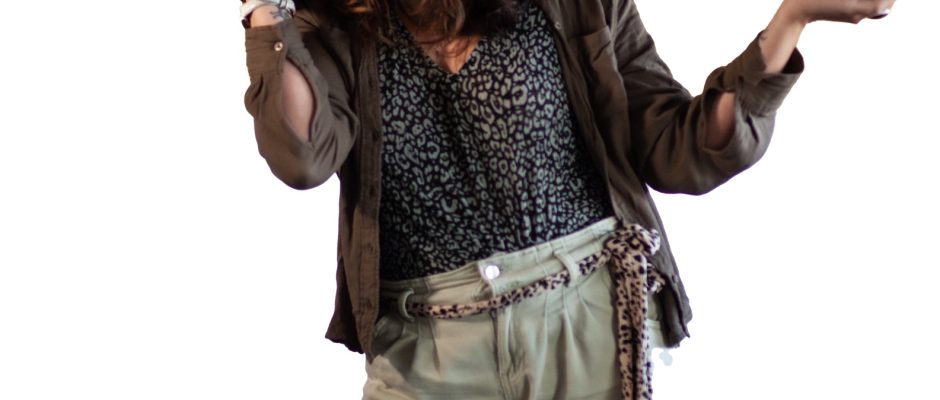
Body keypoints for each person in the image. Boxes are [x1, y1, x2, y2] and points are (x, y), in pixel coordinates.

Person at [239, 0, 894, 398]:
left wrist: (792, 18)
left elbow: (679, 147)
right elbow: (301, 156)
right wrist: (265, 11)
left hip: (587, 321)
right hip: (426, 346)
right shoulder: (328, 24)